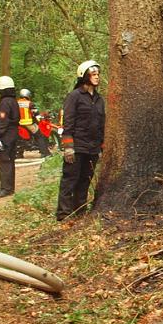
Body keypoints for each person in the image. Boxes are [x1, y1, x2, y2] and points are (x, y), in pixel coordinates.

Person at [56, 60, 105, 221]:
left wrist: (102, 147)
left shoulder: (99, 99)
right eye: (93, 74)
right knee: (70, 179)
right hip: (77, 147)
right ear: (84, 76)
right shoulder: (74, 96)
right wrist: (68, 147)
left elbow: (102, 124)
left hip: (93, 148)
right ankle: (63, 213)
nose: (97, 77)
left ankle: (80, 211)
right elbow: (67, 123)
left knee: (85, 180)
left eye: (98, 74)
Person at [0, 75, 20, 198]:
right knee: (9, 160)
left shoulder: (4, 103)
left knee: (4, 160)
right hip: (13, 134)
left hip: (6, 135)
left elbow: (1, 121)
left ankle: (6, 188)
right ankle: (9, 187)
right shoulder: (13, 101)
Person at [17, 88, 50, 157]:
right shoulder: (29, 103)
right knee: (40, 136)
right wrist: (39, 118)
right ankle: (45, 153)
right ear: (28, 95)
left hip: (19, 124)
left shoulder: (17, 102)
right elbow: (35, 113)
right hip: (28, 123)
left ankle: (19, 153)